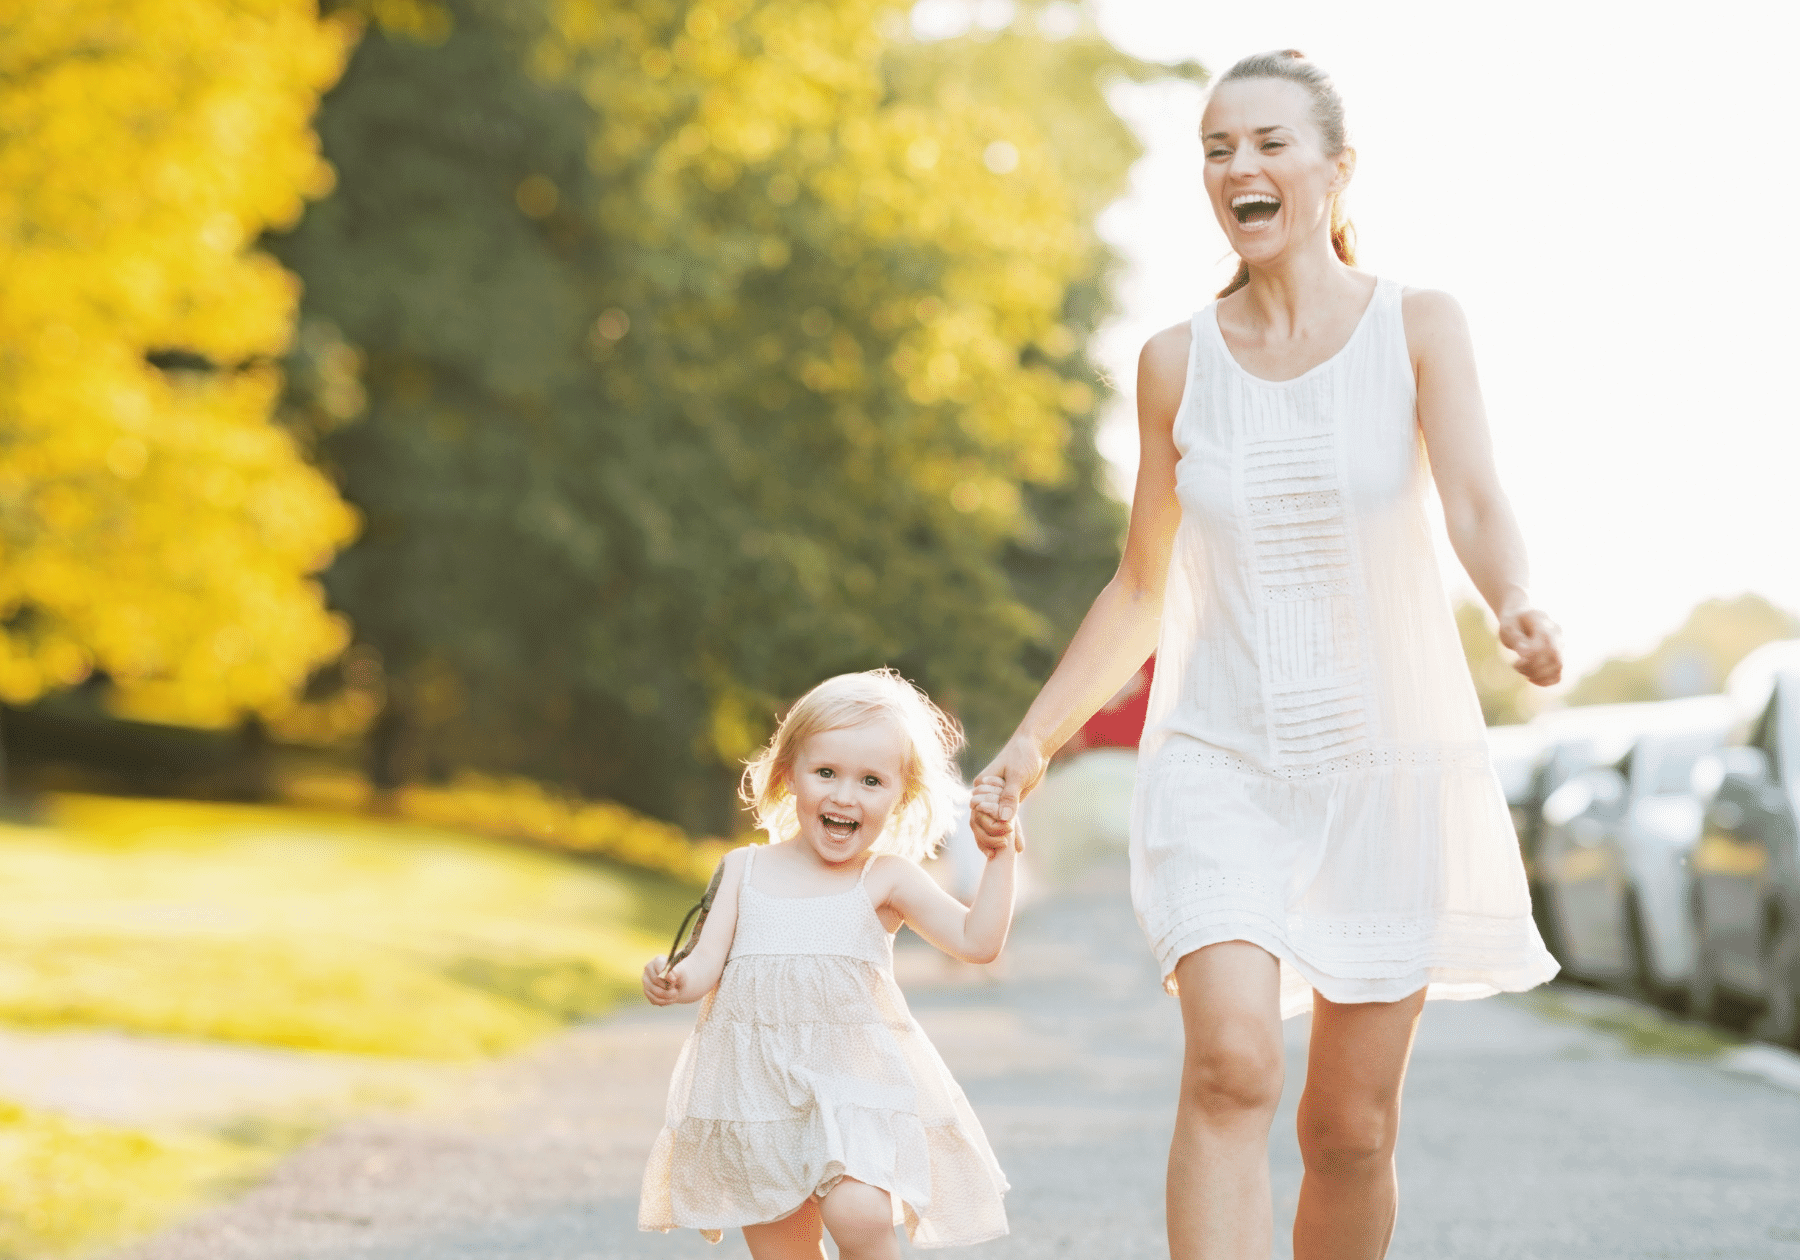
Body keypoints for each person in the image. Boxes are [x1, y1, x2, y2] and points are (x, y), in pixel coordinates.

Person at [969, 50, 1563, 1260]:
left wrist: (1513, 599)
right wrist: (1031, 743)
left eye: (1267, 144)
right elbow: (1142, 585)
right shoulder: (1173, 365)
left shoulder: (1415, 325)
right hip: (1221, 761)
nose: (1238, 166)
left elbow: (1473, 497)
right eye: (1215, 147)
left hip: (1383, 764)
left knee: (1347, 1127)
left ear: (1335, 172)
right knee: (1231, 1065)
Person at [639, 669, 1017, 1257]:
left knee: (863, 1218)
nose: (845, 796)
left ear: (902, 794)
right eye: (826, 773)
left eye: (871, 781)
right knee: (782, 1247)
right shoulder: (744, 869)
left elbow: (977, 940)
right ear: (788, 773)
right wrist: (672, 979)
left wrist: (999, 858)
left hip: (852, 1089)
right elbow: (704, 965)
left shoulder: (884, 877)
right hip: (758, 1099)